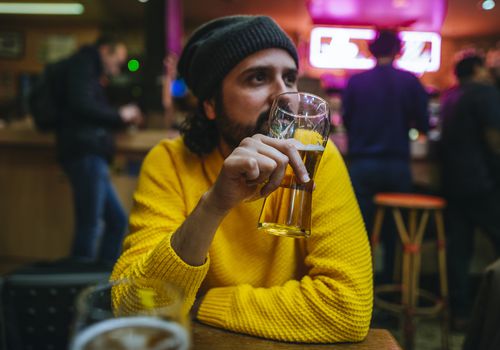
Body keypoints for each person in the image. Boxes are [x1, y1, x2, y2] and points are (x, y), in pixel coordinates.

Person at [111, 15, 372, 343]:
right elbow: (134, 308)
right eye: (258, 78)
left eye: (289, 78)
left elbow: (347, 309)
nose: (283, 96)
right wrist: (214, 205)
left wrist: (198, 304)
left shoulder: (316, 156)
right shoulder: (170, 162)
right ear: (209, 104)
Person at [341, 29, 429, 283]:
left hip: (362, 165)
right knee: (395, 234)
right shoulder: (410, 81)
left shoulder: (355, 82)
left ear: (371, 50)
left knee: (359, 233)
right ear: (398, 51)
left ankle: (360, 292)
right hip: (396, 165)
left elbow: (346, 120)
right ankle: (392, 286)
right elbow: (423, 124)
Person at [56, 36, 143, 264]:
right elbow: (82, 105)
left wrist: (119, 117)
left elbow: (88, 107)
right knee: (91, 225)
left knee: (115, 222)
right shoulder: (84, 63)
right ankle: (77, 286)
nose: (118, 66)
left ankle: (101, 280)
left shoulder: (91, 70)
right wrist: (120, 115)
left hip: (91, 153)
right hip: (85, 152)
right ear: (105, 50)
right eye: (117, 59)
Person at [439, 54, 500, 328]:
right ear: (477, 69)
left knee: (459, 250)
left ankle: (460, 313)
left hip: (453, 182)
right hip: (482, 182)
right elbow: (495, 139)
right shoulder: (485, 93)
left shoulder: (450, 96)